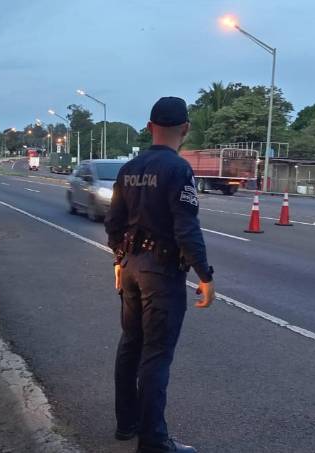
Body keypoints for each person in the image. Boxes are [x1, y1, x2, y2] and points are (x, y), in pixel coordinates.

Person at [104, 96, 215, 453]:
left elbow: (113, 223)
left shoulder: (129, 169)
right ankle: (153, 441)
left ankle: (127, 424)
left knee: (130, 344)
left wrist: (119, 260)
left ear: (150, 127)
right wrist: (205, 275)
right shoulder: (178, 169)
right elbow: (186, 228)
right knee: (156, 355)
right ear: (185, 129)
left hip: (131, 268)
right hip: (161, 273)